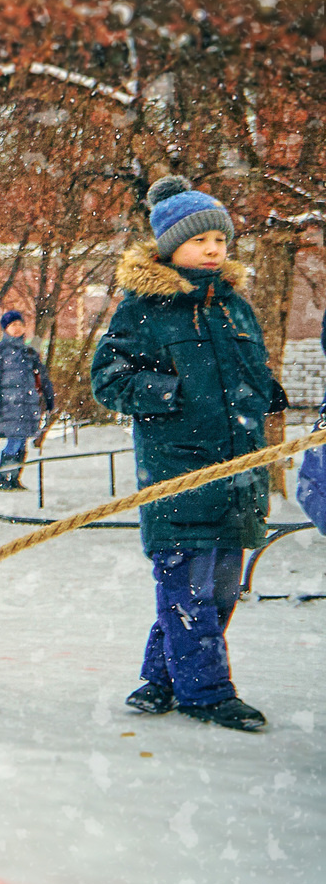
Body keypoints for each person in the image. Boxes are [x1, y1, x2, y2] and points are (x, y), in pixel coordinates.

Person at [92, 178, 287, 733]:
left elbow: (250, 373)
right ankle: (206, 692)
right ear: (169, 246)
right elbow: (108, 379)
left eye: (220, 240)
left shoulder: (236, 310)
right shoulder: (144, 311)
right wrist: (169, 393)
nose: (212, 249)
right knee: (189, 587)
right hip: (178, 470)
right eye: (199, 239)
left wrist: (265, 390)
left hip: (238, 472)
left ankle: (163, 676)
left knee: (221, 588)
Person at [0, 310, 54, 490]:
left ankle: (14, 478)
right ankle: (4, 478)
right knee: (14, 440)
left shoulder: (29, 352)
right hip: (9, 404)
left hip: (28, 404)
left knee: (22, 441)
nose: (17, 329)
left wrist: (49, 397)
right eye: (13, 325)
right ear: (5, 328)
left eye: (20, 325)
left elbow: (42, 377)